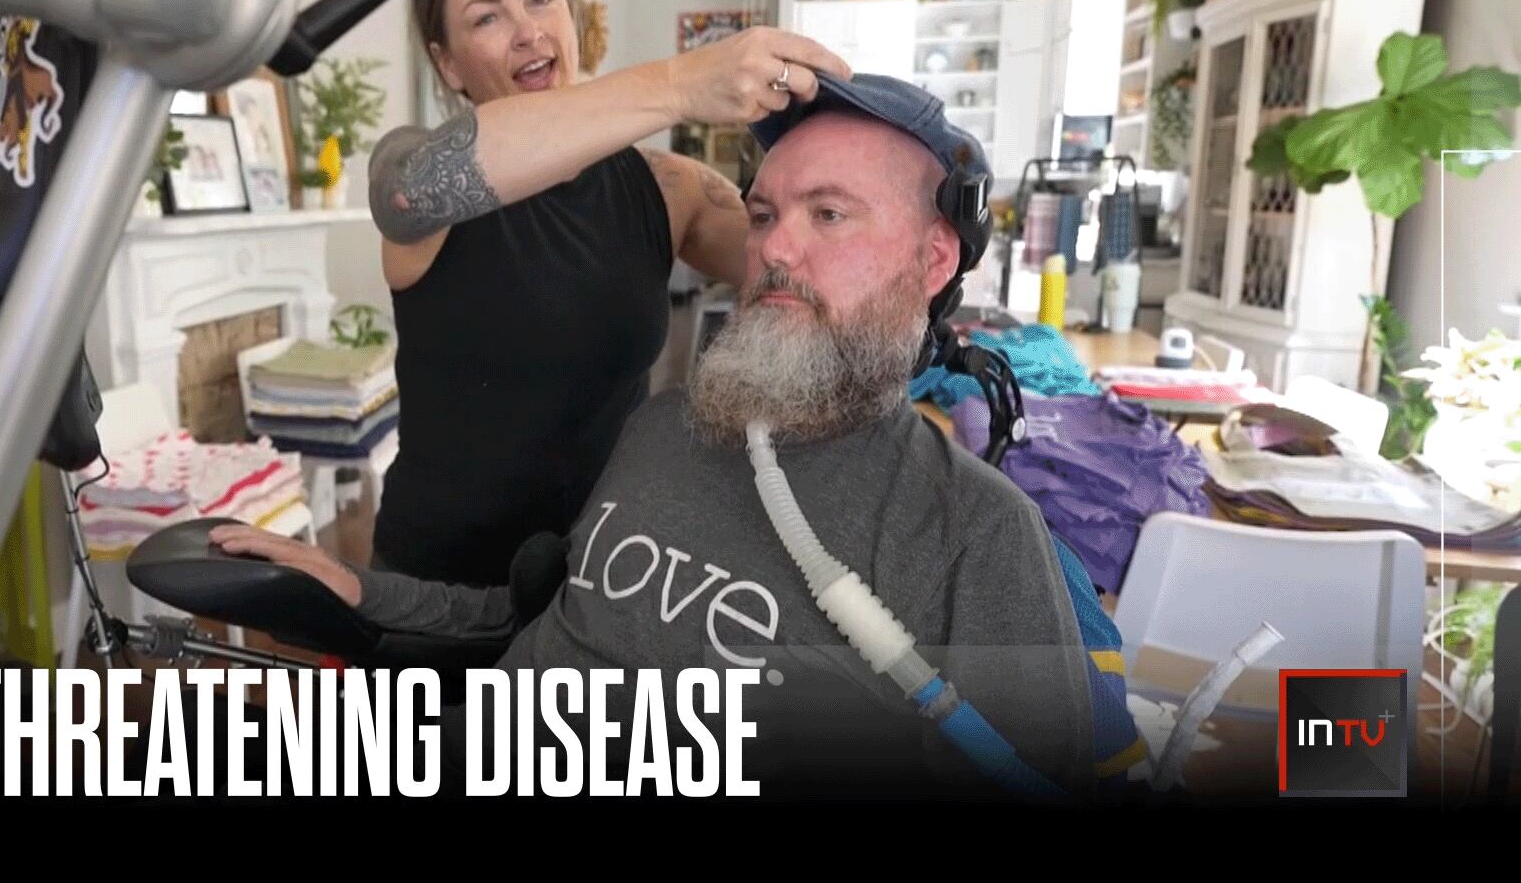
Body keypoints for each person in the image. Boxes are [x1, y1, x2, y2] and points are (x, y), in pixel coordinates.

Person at [213, 74, 1144, 799]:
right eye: (764, 214)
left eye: (828, 214)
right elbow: (541, 617)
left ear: (934, 257)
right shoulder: (669, 427)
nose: (775, 248)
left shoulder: (974, 536)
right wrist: (362, 590)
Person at [361, 0, 852, 588]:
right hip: (433, 588)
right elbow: (407, 194)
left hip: (599, 579)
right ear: (447, 62)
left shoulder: (669, 189)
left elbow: (805, 269)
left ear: (571, 15)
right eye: (487, 18)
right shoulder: (416, 166)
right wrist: (679, 84)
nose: (528, 31)